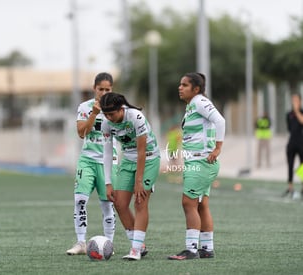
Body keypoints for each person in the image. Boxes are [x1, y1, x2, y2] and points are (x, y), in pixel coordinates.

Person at [168, 72, 225, 260]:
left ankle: (191, 249)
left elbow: (220, 120)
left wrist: (217, 148)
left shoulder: (199, 101)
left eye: (184, 85)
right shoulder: (193, 105)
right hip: (198, 162)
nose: (180, 87)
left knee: (188, 203)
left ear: (196, 89)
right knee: (201, 205)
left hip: (202, 162)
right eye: (180, 84)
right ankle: (207, 248)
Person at [101, 92, 160, 261]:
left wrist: (139, 181)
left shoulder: (136, 117)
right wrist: (108, 182)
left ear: (121, 109)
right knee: (119, 203)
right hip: (127, 161)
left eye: (111, 114)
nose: (108, 118)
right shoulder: (106, 124)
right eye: (105, 114)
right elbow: (107, 152)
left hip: (148, 158)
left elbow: (142, 151)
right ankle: (140, 244)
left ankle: (135, 250)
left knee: (140, 201)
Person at [66, 72, 117, 255]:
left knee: (107, 205)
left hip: (108, 163)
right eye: (100, 89)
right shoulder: (85, 107)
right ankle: (81, 242)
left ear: (112, 89)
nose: (103, 92)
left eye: (107, 89)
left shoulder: (118, 108)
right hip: (87, 160)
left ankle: (109, 244)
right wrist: (94, 114)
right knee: (80, 200)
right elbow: (81, 133)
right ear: (94, 89)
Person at [283, 93, 303, 198]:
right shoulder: (289, 114)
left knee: (302, 166)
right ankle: (290, 187)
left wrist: (297, 111)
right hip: (291, 142)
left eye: (296, 99)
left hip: (301, 142)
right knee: (290, 165)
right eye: (293, 99)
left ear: (300, 101)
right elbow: (290, 129)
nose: (294, 101)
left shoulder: (301, 112)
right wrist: (294, 112)